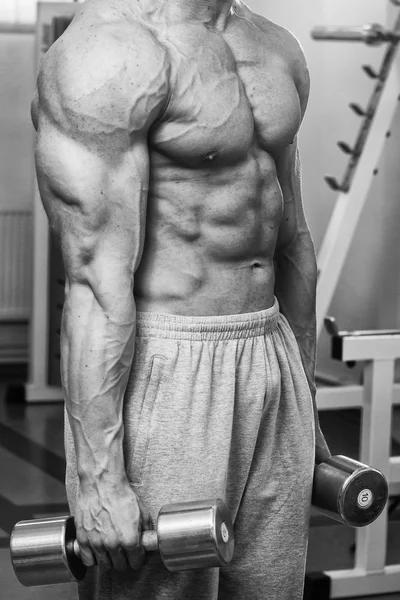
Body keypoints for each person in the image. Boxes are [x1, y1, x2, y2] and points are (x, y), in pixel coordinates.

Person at [31, 0, 331, 597]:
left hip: (269, 352)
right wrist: (97, 479)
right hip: (166, 364)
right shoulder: (108, 54)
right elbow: (94, 281)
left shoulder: (274, 45)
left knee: (273, 587)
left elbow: (292, 239)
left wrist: (306, 396)